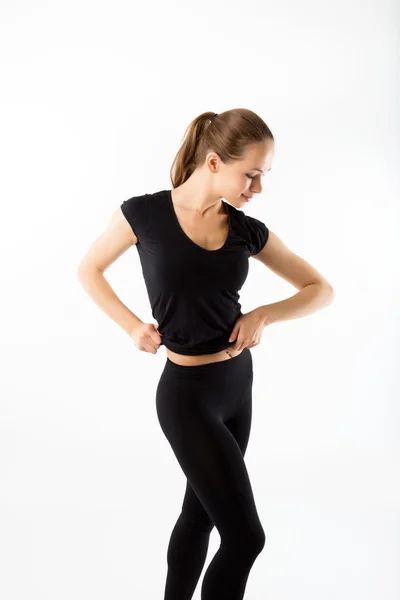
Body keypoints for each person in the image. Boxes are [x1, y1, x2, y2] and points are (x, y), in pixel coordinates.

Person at [78, 108, 334, 599]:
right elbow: (89, 269)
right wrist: (132, 326)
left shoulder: (244, 230)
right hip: (187, 396)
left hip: (237, 385)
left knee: (199, 516)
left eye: (263, 176)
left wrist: (263, 314)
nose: (258, 188)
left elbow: (320, 289)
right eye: (251, 175)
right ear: (215, 162)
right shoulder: (144, 215)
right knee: (245, 537)